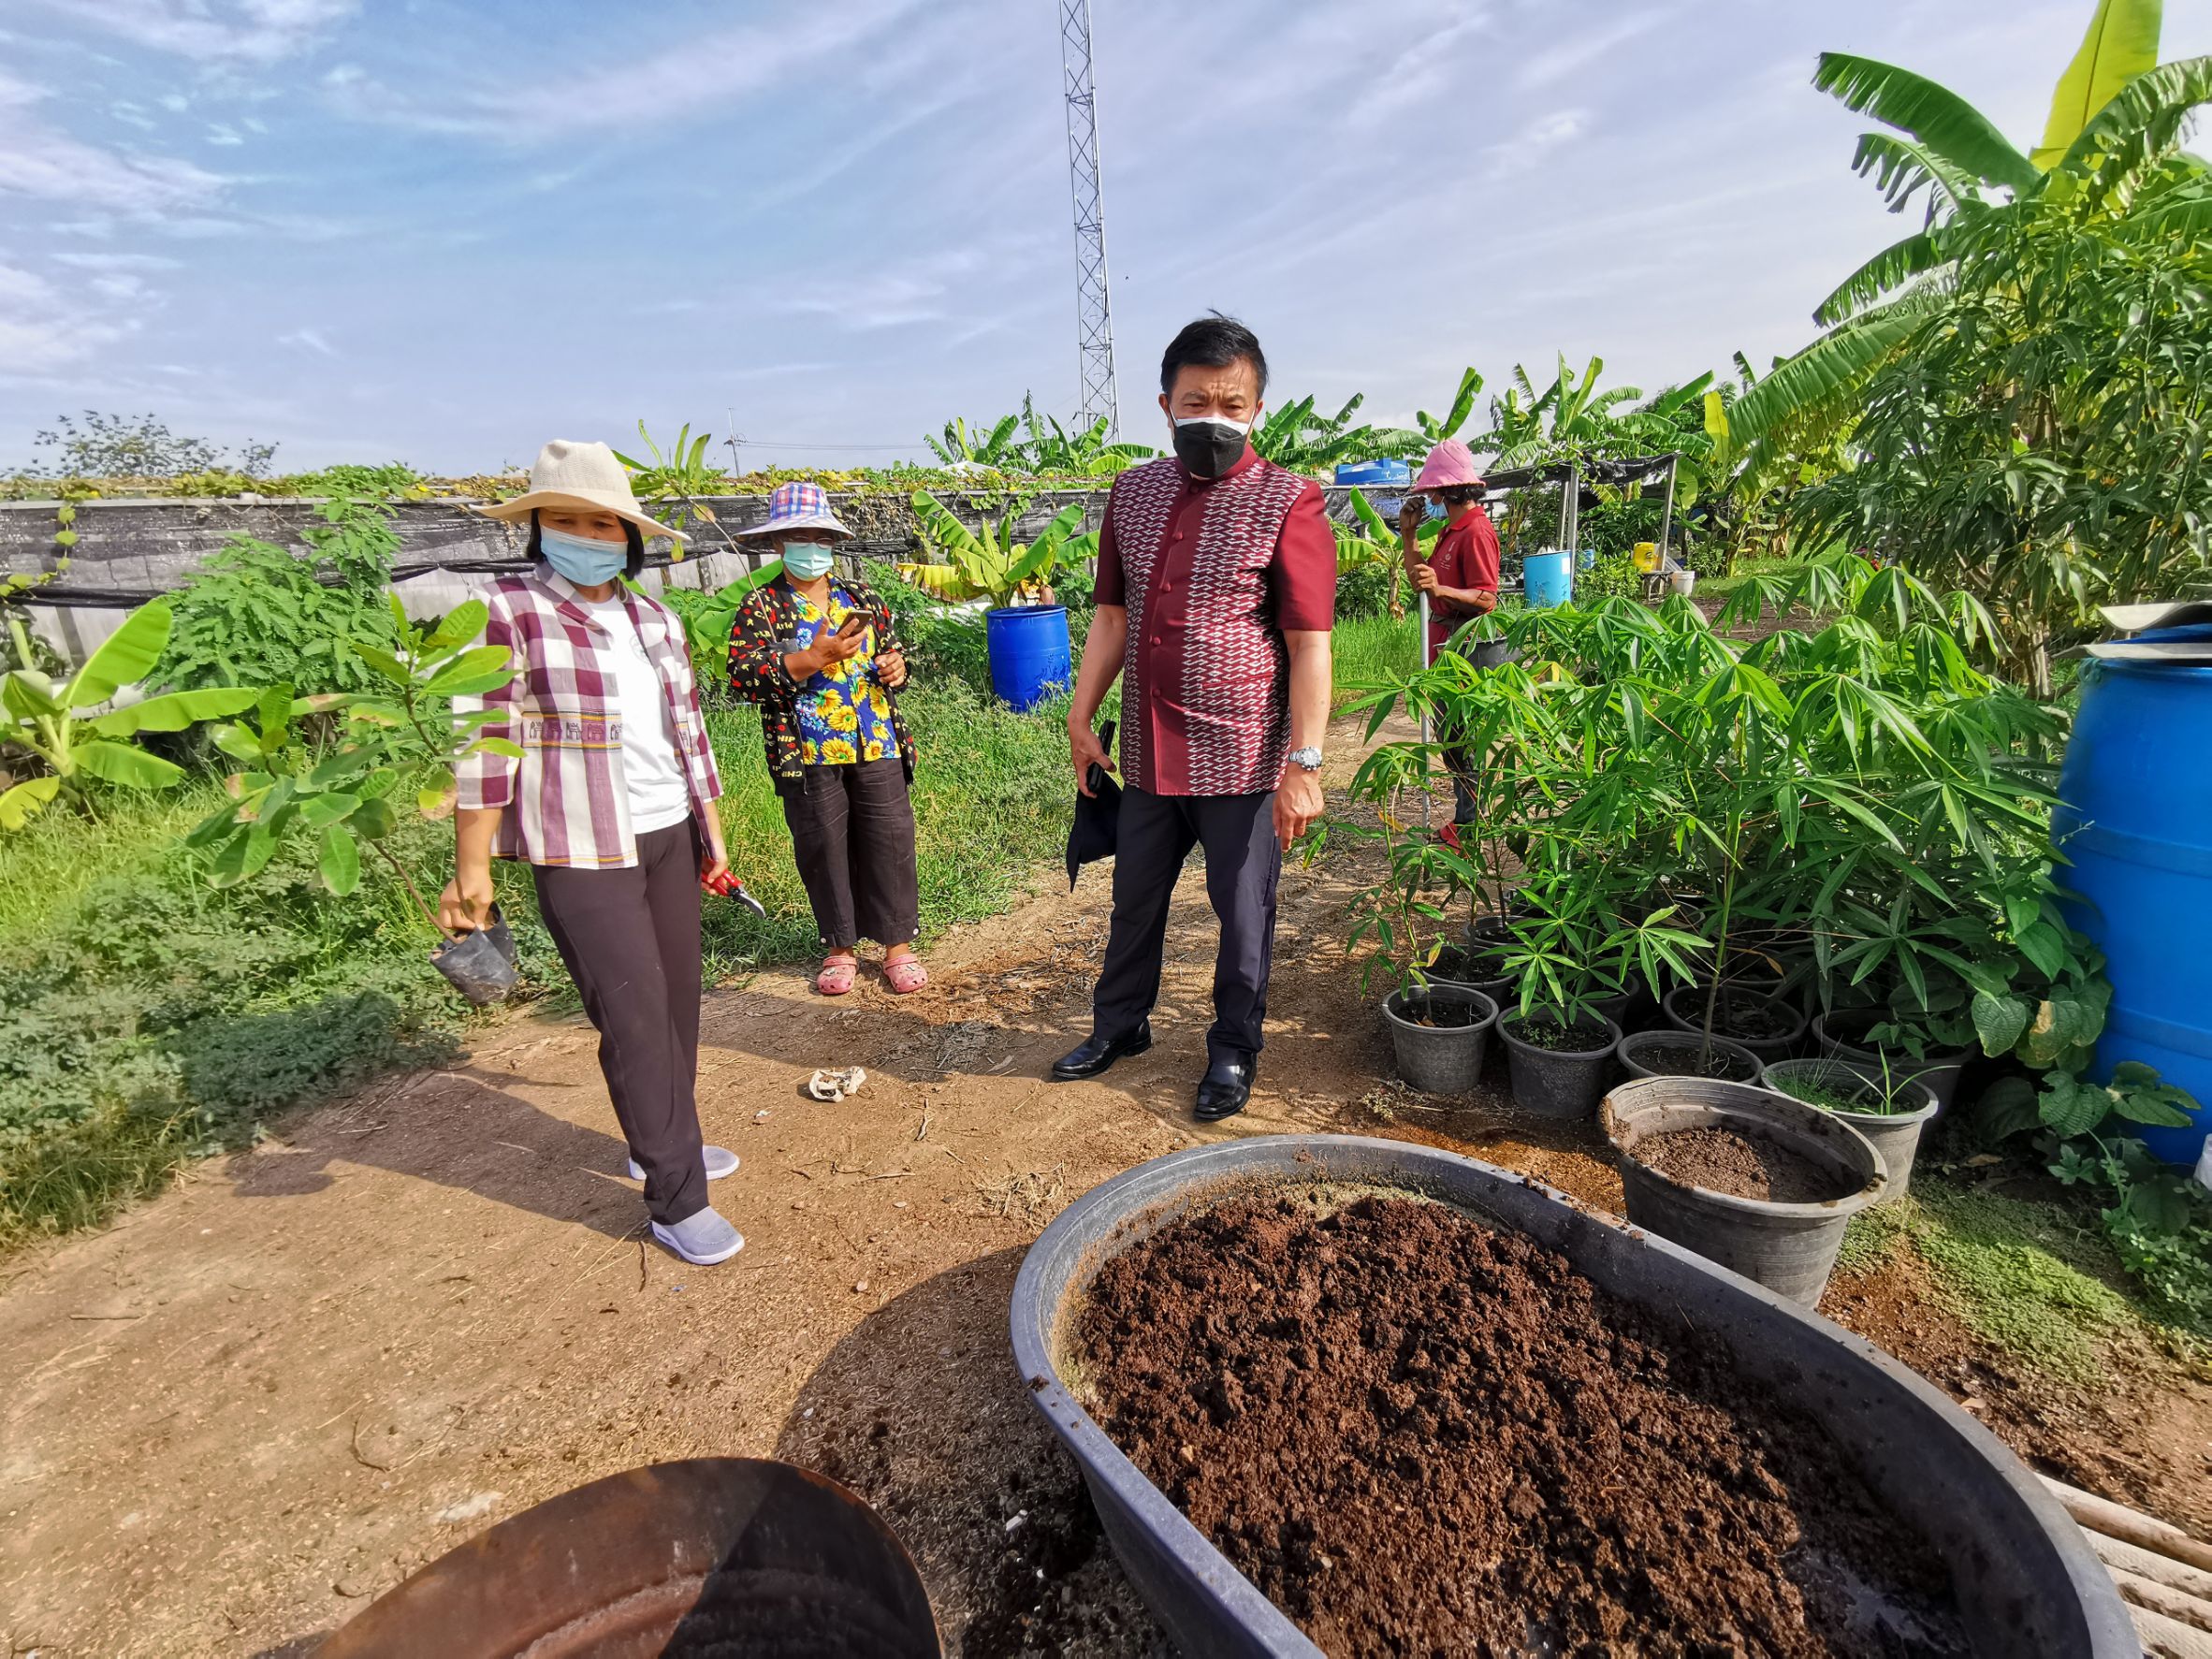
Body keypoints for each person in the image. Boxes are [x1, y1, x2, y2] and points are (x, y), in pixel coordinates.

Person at [443, 439, 746, 1267]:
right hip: (580, 845)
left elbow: (689, 733)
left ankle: (660, 1137)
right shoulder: (508, 611)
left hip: (665, 833)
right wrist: (471, 867)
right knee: (634, 1012)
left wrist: (711, 830)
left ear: (628, 533)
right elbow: (484, 742)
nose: (586, 533)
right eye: (565, 520)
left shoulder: (656, 619)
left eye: (602, 521)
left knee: (678, 1001)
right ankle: (676, 1196)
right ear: (538, 529)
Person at [1050, 313, 1335, 1121]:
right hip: (1145, 752)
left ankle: (1233, 1051)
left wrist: (1303, 764)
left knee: (1241, 914)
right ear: (1166, 404)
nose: (1215, 415)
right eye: (1197, 399)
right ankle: (1119, 1025)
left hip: (1242, 758)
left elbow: (1310, 645)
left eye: (1233, 403)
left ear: (1257, 409)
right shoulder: (1133, 493)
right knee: (1135, 899)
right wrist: (1082, 714)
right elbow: (1112, 617)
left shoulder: (1289, 501)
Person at [726, 482, 925, 997]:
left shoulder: (862, 598)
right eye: (798, 536)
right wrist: (813, 658)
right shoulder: (761, 609)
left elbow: (895, 655)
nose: (810, 547)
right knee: (824, 846)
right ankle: (840, 948)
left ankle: (897, 947)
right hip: (807, 750)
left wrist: (895, 667)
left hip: (875, 739)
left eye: (820, 537)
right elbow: (743, 676)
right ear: (777, 544)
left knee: (890, 840)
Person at [1400, 439, 1502, 837]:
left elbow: (1486, 596)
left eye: (1432, 492)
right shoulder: (1451, 530)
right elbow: (1421, 582)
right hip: (1446, 645)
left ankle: (1470, 827)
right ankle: (1466, 821)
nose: (1431, 499)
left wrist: (1442, 591)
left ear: (1444, 491)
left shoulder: (1475, 530)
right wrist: (1409, 538)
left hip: (1467, 649)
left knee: (1462, 741)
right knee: (1451, 740)